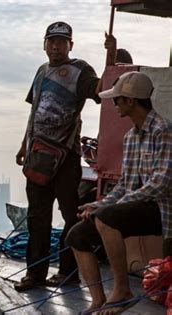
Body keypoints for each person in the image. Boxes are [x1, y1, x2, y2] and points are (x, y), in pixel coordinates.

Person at [66, 71, 172, 314]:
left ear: (130, 101)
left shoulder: (163, 130)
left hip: (162, 209)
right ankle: (98, 299)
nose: (114, 105)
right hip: (139, 206)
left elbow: (161, 184)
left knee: (107, 217)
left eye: (117, 100)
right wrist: (99, 203)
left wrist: (109, 208)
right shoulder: (131, 137)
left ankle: (122, 290)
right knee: (77, 236)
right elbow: (126, 184)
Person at [14, 21, 106, 291]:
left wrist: (110, 55)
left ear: (70, 45)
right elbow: (35, 114)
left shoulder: (79, 70)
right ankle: (35, 275)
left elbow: (99, 90)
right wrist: (24, 145)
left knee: (71, 217)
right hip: (38, 156)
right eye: (51, 41)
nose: (55, 46)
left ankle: (68, 272)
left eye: (61, 42)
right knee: (37, 218)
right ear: (44, 44)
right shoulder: (41, 72)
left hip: (65, 156)